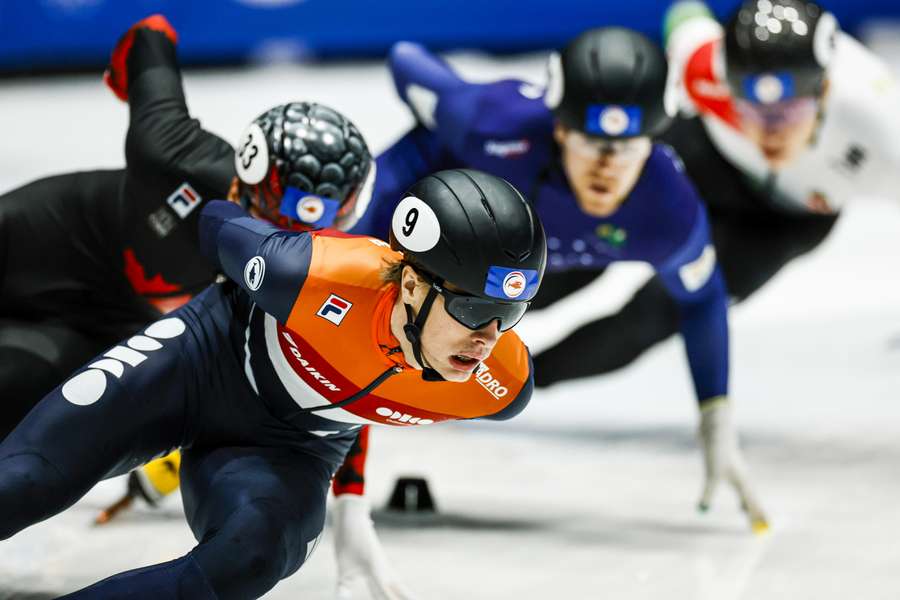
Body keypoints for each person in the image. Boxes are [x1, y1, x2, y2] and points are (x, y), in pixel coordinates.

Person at [0, 14, 407, 597]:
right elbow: (148, 33)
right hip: (36, 247)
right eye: (275, 219)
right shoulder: (174, 154)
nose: (287, 250)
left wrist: (350, 503)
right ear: (242, 181)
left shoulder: (329, 269)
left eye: (315, 230)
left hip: (96, 332)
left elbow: (347, 378)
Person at [0, 164, 546, 597]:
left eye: (511, 311)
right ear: (411, 285)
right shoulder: (311, 273)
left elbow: (367, 391)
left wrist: (351, 506)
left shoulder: (499, 385)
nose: (490, 336)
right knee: (23, 482)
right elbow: (216, 220)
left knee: (249, 560)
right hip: (198, 363)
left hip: (288, 450)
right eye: (473, 309)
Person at [350, 27, 768, 529]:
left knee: (577, 331)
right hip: (423, 214)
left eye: (627, 145)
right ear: (561, 128)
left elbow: (702, 301)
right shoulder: (496, 125)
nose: (607, 166)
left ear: (656, 139)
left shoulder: (669, 211)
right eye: (593, 142)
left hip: (525, 252)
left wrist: (714, 415)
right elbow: (405, 56)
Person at [537, 0, 900, 449]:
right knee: (573, 257)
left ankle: (509, 387)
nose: (769, 133)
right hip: (704, 160)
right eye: (747, 109)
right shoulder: (702, 66)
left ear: (825, 91)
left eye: (788, 114)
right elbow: (685, 13)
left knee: (657, 315)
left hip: (783, 222)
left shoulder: (882, 130)